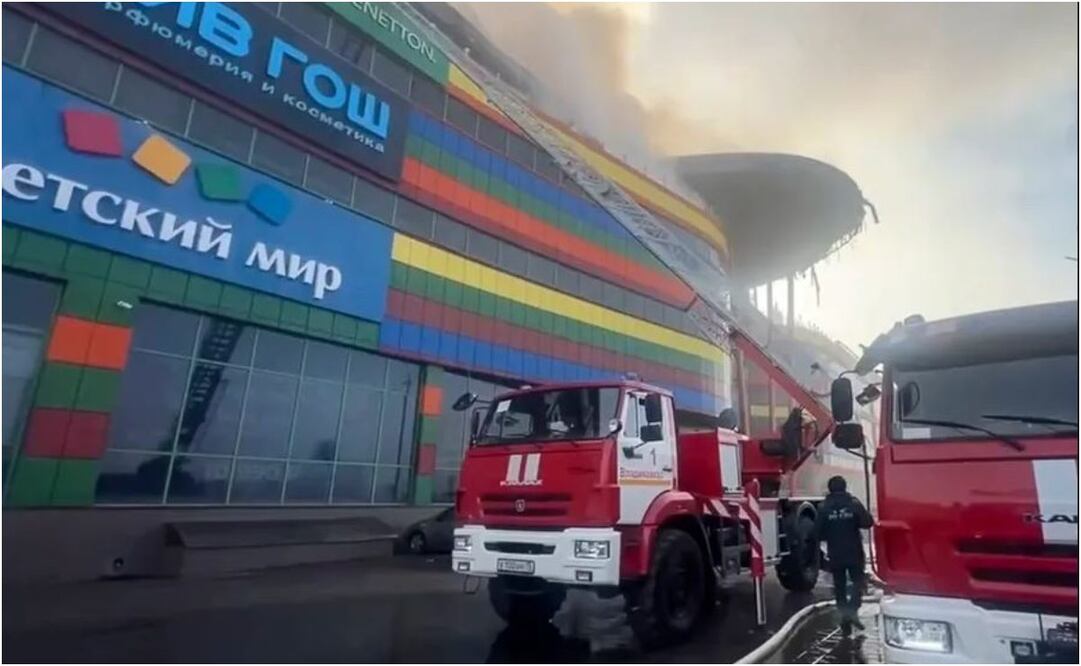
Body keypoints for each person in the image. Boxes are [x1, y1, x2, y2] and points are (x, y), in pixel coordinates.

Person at [815, 475, 874, 637]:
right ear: (845, 487)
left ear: (830, 488)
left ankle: (844, 616)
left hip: (836, 553)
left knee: (839, 586)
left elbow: (817, 532)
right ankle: (852, 610)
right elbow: (868, 522)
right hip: (854, 551)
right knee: (858, 581)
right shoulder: (853, 504)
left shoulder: (823, 507)